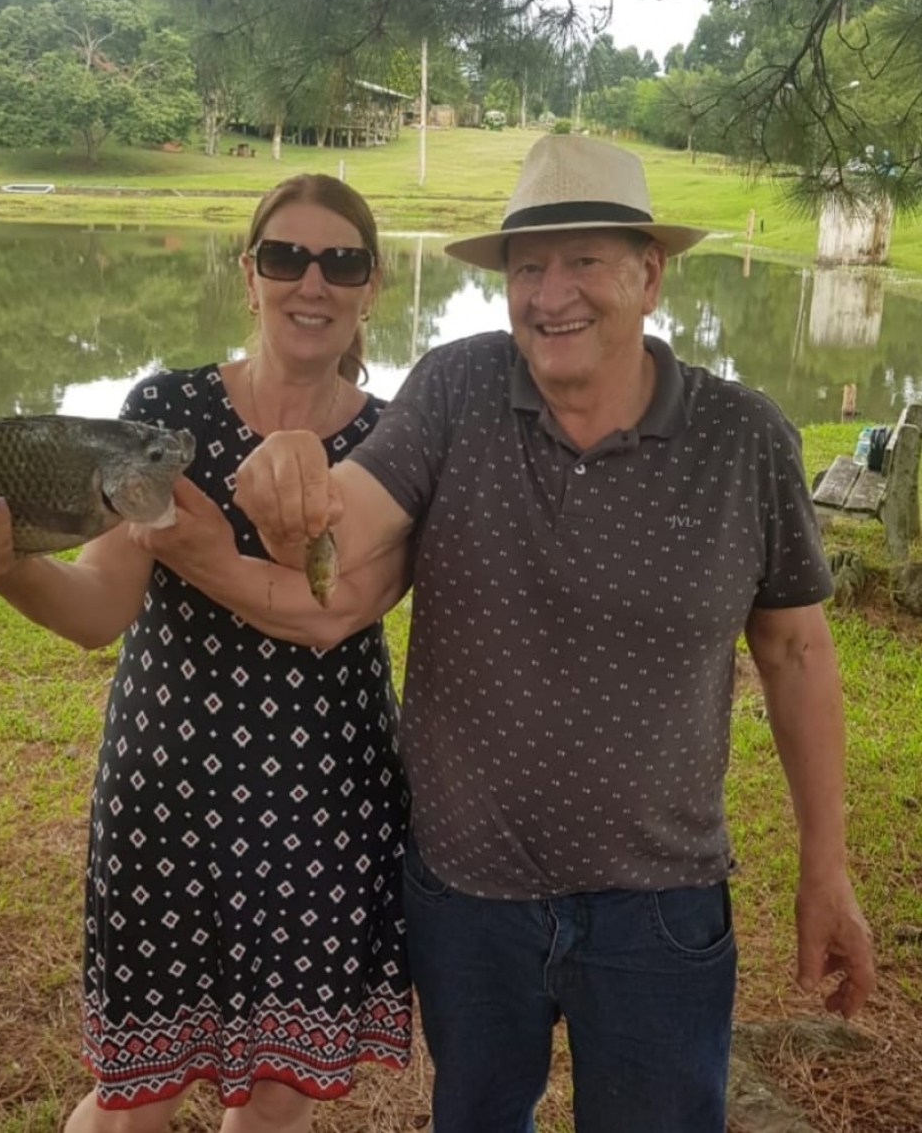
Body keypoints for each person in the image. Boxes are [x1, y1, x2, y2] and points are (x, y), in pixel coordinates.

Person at [200, 135, 875, 1133]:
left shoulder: (746, 438)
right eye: (526, 267)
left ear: (648, 275)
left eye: (583, 261)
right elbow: (352, 514)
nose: (549, 294)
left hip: (660, 902)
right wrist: (293, 473)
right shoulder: (456, 388)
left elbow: (796, 652)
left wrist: (827, 863)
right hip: (467, 896)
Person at [0, 174, 412, 1133]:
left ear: (372, 284)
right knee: (135, 1093)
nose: (313, 282)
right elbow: (99, 607)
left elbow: (339, 610)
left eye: (340, 260)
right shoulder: (165, 415)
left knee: (276, 1096)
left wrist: (212, 555)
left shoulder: (393, 439)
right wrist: (0, 559)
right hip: (170, 793)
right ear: (248, 275)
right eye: (284, 256)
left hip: (329, 800)